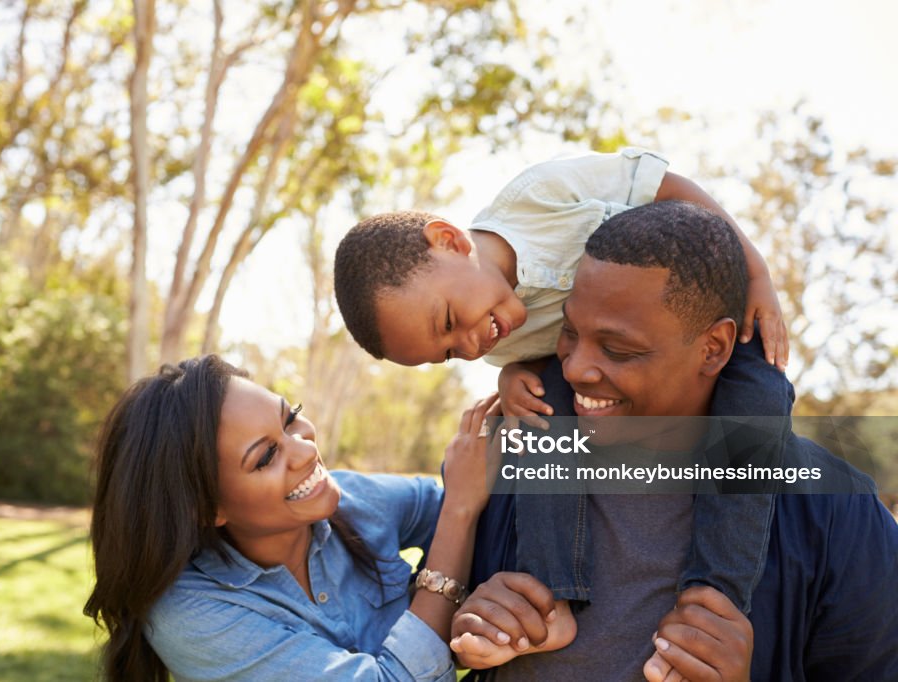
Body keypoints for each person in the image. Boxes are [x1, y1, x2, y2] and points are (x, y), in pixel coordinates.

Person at [333, 147, 792, 618]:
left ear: (448, 240)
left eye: (450, 321)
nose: (470, 347)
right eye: (449, 353)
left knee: (761, 397)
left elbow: (666, 184)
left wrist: (754, 272)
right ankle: (549, 595)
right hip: (614, 380)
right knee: (539, 417)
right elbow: (540, 358)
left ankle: (717, 594)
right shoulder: (498, 339)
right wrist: (514, 374)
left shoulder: (539, 197)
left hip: (700, 322)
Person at [449, 200, 898, 680]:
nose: (575, 368)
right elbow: (428, 621)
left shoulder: (834, 513)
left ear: (714, 348)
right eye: (570, 331)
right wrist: (469, 632)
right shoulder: (510, 461)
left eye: (619, 349)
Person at [83, 355, 575, 681]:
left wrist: (528, 377)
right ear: (206, 509)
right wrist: (460, 515)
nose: (304, 449)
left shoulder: (349, 501)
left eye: (289, 416)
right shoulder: (192, 617)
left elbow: (485, 502)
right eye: (264, 457)